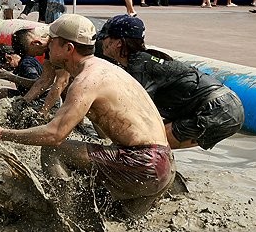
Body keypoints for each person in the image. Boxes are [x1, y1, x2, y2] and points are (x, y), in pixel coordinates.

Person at [0, 15, 176, 215]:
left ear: (68, 49)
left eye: (51, 42)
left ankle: (64, 216)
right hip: (165, 166)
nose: (47, 47)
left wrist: (2, 133)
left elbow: (54, 135)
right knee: (115, 216)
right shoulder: (107, 69)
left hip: (142, 165)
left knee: (53, 151)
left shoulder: (86, 81)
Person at [95, 15, 244, 149]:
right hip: (226, 105)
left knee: (143, 145)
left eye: (105, 38)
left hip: (218, 109)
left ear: (118, 43)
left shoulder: (139, 66)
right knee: (147, 143)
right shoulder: (143, 61)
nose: (102, 42)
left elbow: (135, 112)